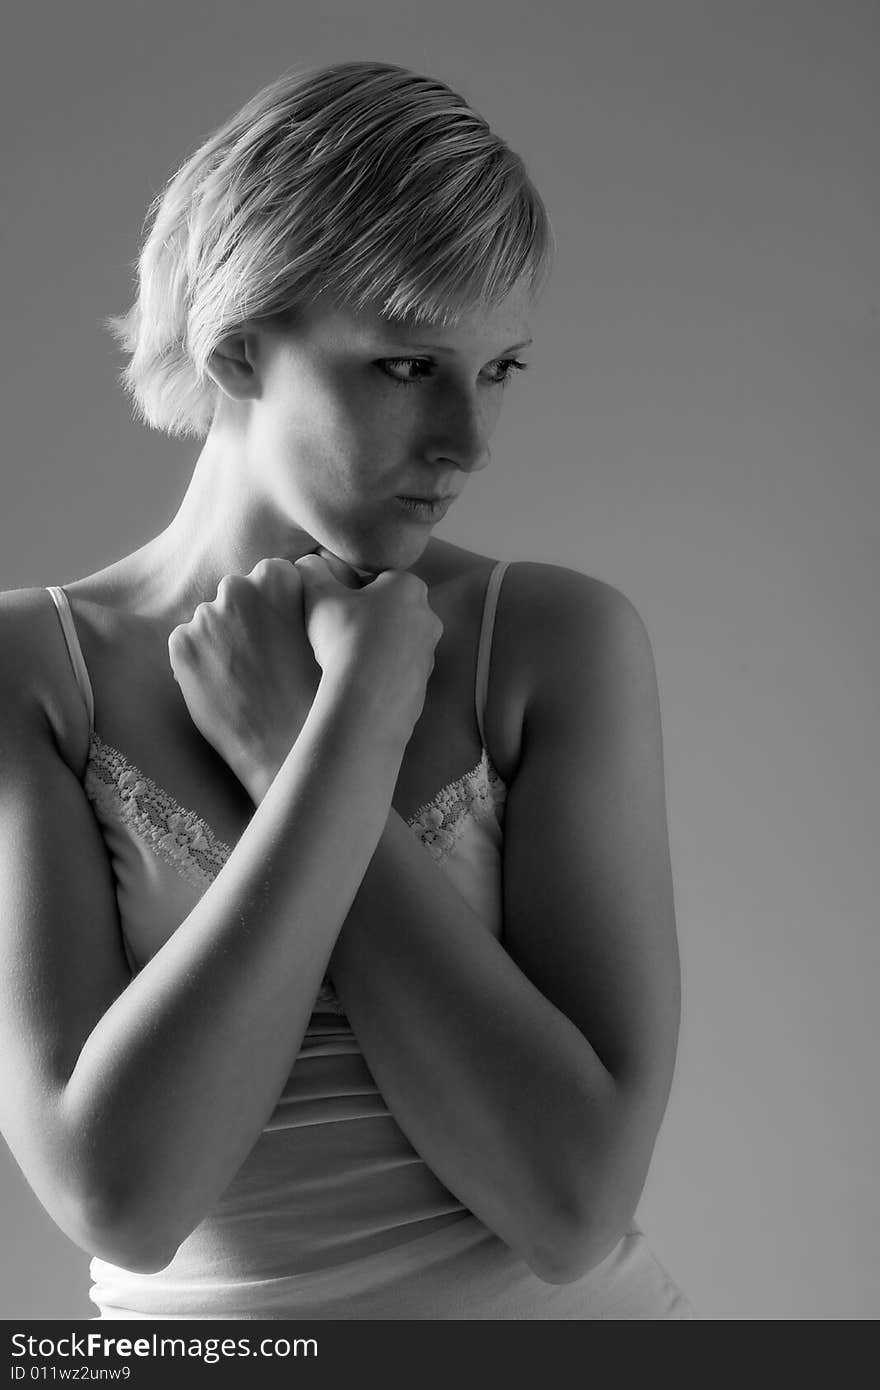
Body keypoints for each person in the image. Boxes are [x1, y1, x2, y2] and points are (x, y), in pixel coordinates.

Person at [0, 59, 696, 1319]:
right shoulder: (29, 673)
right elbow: (124, 1200)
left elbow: (571, 1208)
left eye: (498, 370)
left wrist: (298, 753)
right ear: (237, 349)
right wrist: (340, 746)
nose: (465, 443)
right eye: (405, 364)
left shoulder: (551, 641)